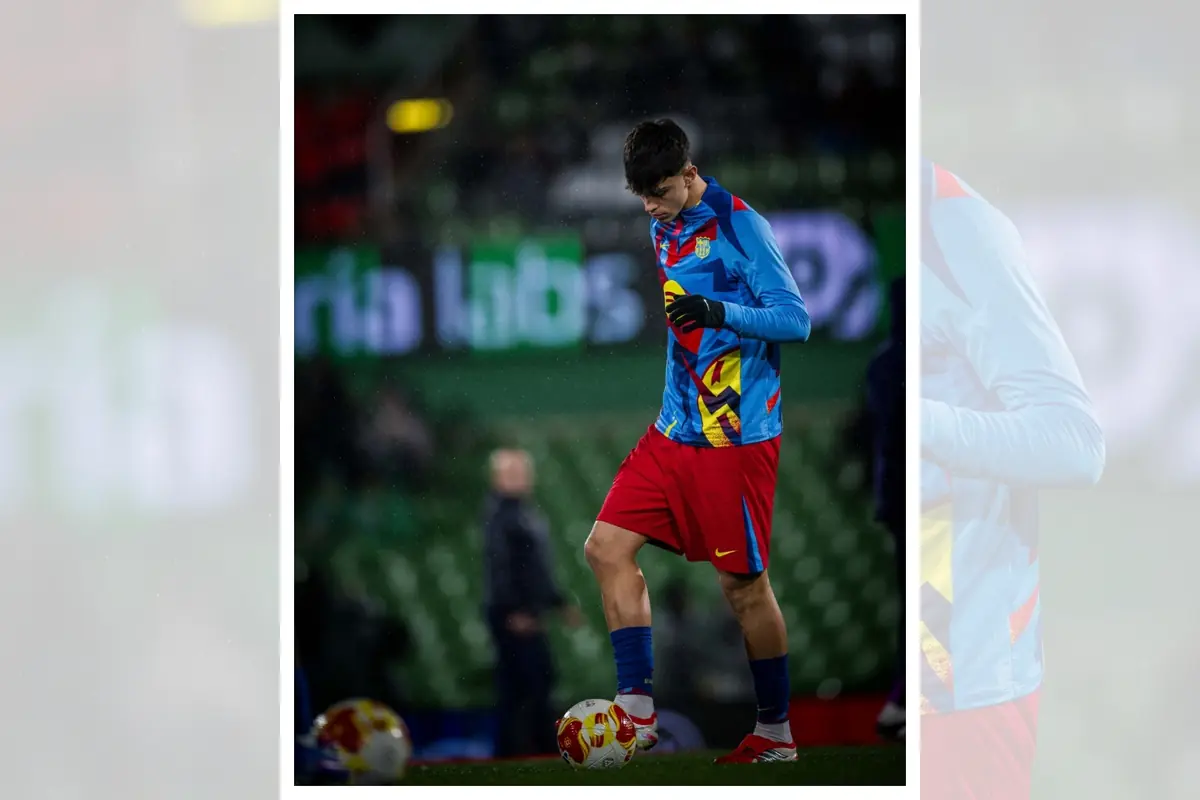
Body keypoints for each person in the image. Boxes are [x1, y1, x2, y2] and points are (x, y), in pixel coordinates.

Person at [585, 119, 811, 764]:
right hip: (674, 428)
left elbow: (795, 319)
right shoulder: (663, 221)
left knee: (743, 590)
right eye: (641, 197)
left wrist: (721, 312)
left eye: (659, 191)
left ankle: (775, 734)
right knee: (605, 548)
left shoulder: (742, 226)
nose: (651, 207)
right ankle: (637, 712)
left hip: (734, 437)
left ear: (690, 173)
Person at [919, 159, 1105, 797]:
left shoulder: (954, 225)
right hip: (916, 665)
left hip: (959, 675)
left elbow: (1076, 445)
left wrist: (923, 423)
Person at [482, 448, 581, 758]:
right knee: (527, 682)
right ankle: (526, 750)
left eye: (522, 472)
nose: (521, 478)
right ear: (497, 478)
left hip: (526, 611)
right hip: (513, 614)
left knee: (528, 682)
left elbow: (536, 568)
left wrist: (558, 603)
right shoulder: (500, 515)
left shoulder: (522, 513)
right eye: (512, 473)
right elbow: (500, 566)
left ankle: (521, 750)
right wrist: (514, 611)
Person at [866, 277, 906, 742]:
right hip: (922, 497)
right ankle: (908, 698)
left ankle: (902, 699)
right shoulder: (917, 365)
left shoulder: (881, 365)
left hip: (896, 499)